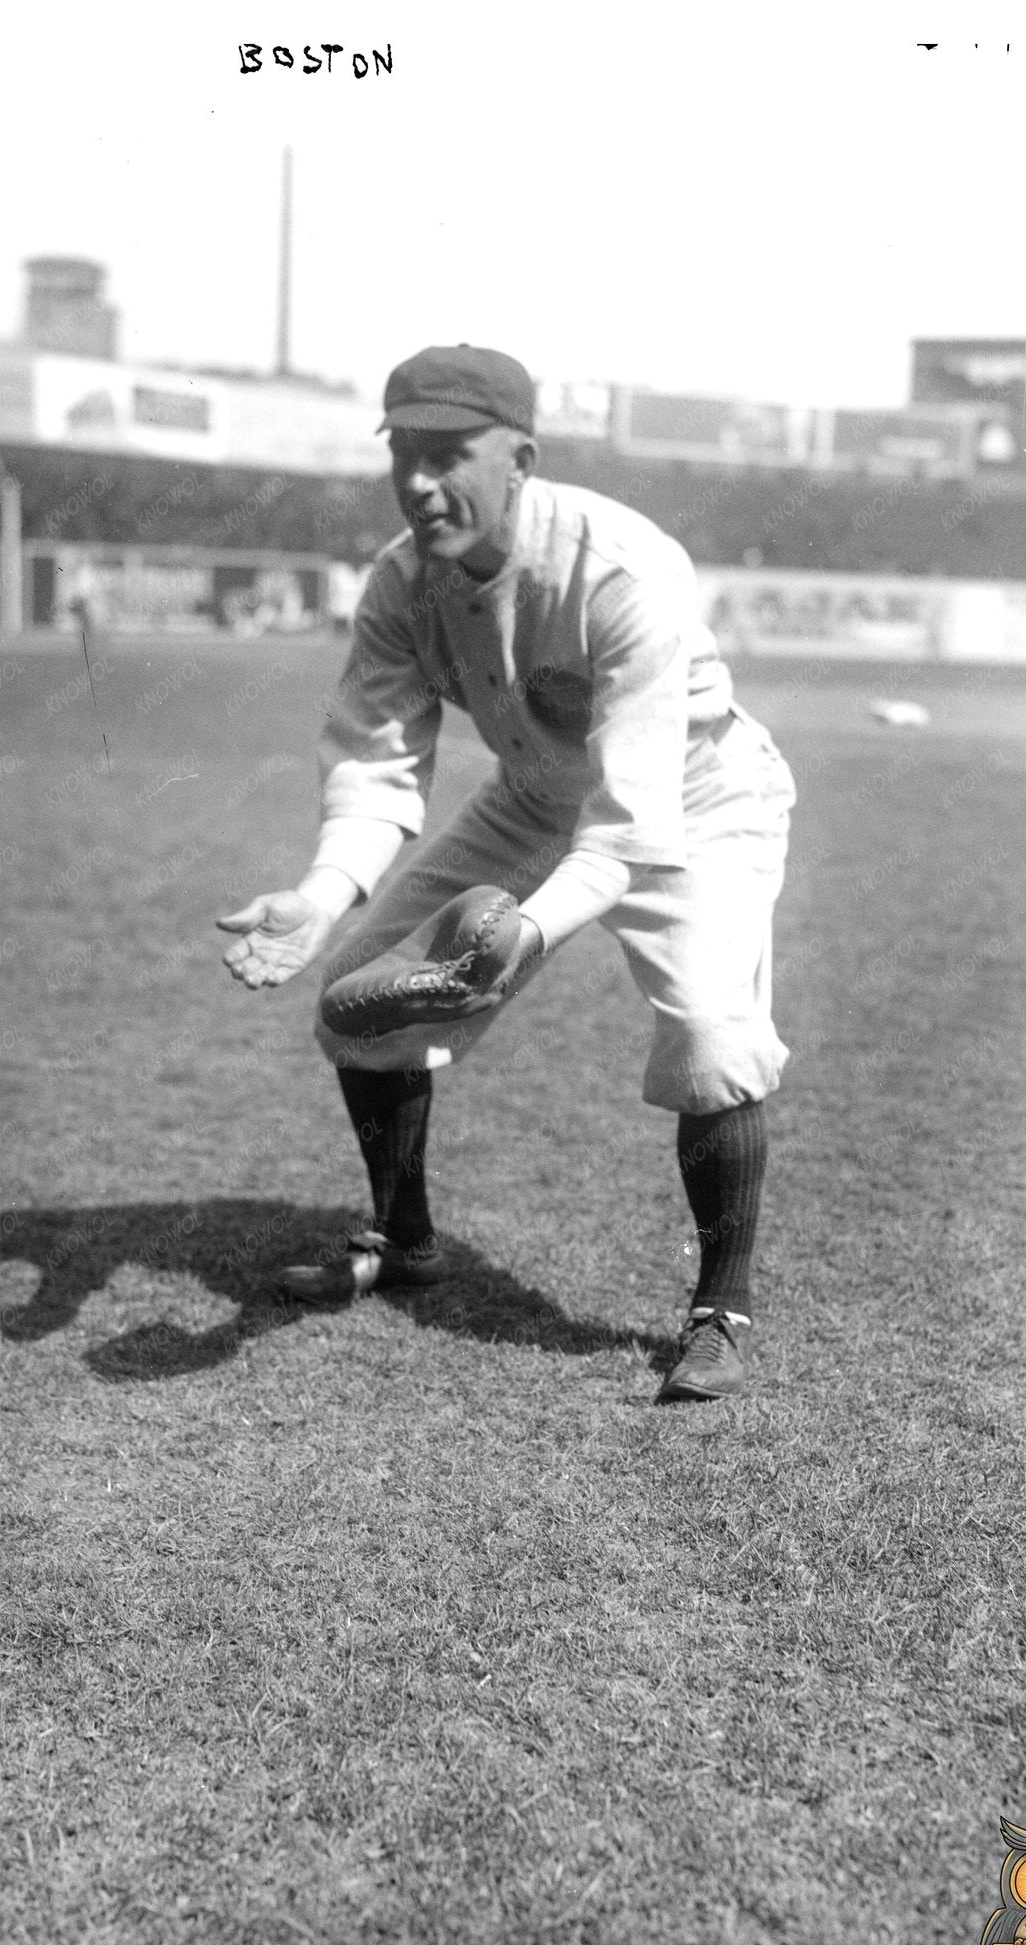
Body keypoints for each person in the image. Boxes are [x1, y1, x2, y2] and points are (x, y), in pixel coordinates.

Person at [218, 345, 796, 1401]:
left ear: (520, 457)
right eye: (406, 454)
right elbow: (378, 763)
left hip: (696, 801)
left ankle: (721, 1306)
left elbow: (629, 826)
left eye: (451, 455)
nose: (423, 483)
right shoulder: (401, 582)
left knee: (714, 1038)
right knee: (359, 1002)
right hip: (535, 796)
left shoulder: (617, 567)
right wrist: (319, 892)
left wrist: (524, 930)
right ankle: (403, 1239)